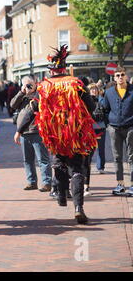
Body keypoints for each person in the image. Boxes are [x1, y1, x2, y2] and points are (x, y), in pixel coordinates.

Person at [31, 45, 97, 224]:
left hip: (53, 134)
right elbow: (91, 107)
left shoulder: (43, 86)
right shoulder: (76, 83)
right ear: (64, 66)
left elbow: (35, 108)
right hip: (75, 132)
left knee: (58, 163)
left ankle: (61, 195)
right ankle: (78, 208)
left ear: (50, 69)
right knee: (77, 169)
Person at [11, 76, 52, 192]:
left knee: (42, 159)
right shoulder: (22, 96)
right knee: (27, 159)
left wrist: (34, 90)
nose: (28, 87)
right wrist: (21, 92)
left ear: (35, 84)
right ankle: (31, 181)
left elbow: (31, 112)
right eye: (26, 85)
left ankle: (47, 182)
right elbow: (12, 105)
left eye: (30, 85)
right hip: (24, 132)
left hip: (36, 130)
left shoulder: (39, 94)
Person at [102, 67, 133, 196]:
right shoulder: (109, 92)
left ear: (126, 76)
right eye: (118, 75)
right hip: (114, 128)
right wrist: (108, 125)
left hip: (130, 127)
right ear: (114, 78)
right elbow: (104, 109)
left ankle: (132, 185)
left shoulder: (132, 90)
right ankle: (120, 184)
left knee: (131, 156)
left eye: (122, 75)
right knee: (117, 157)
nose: (120, 77)